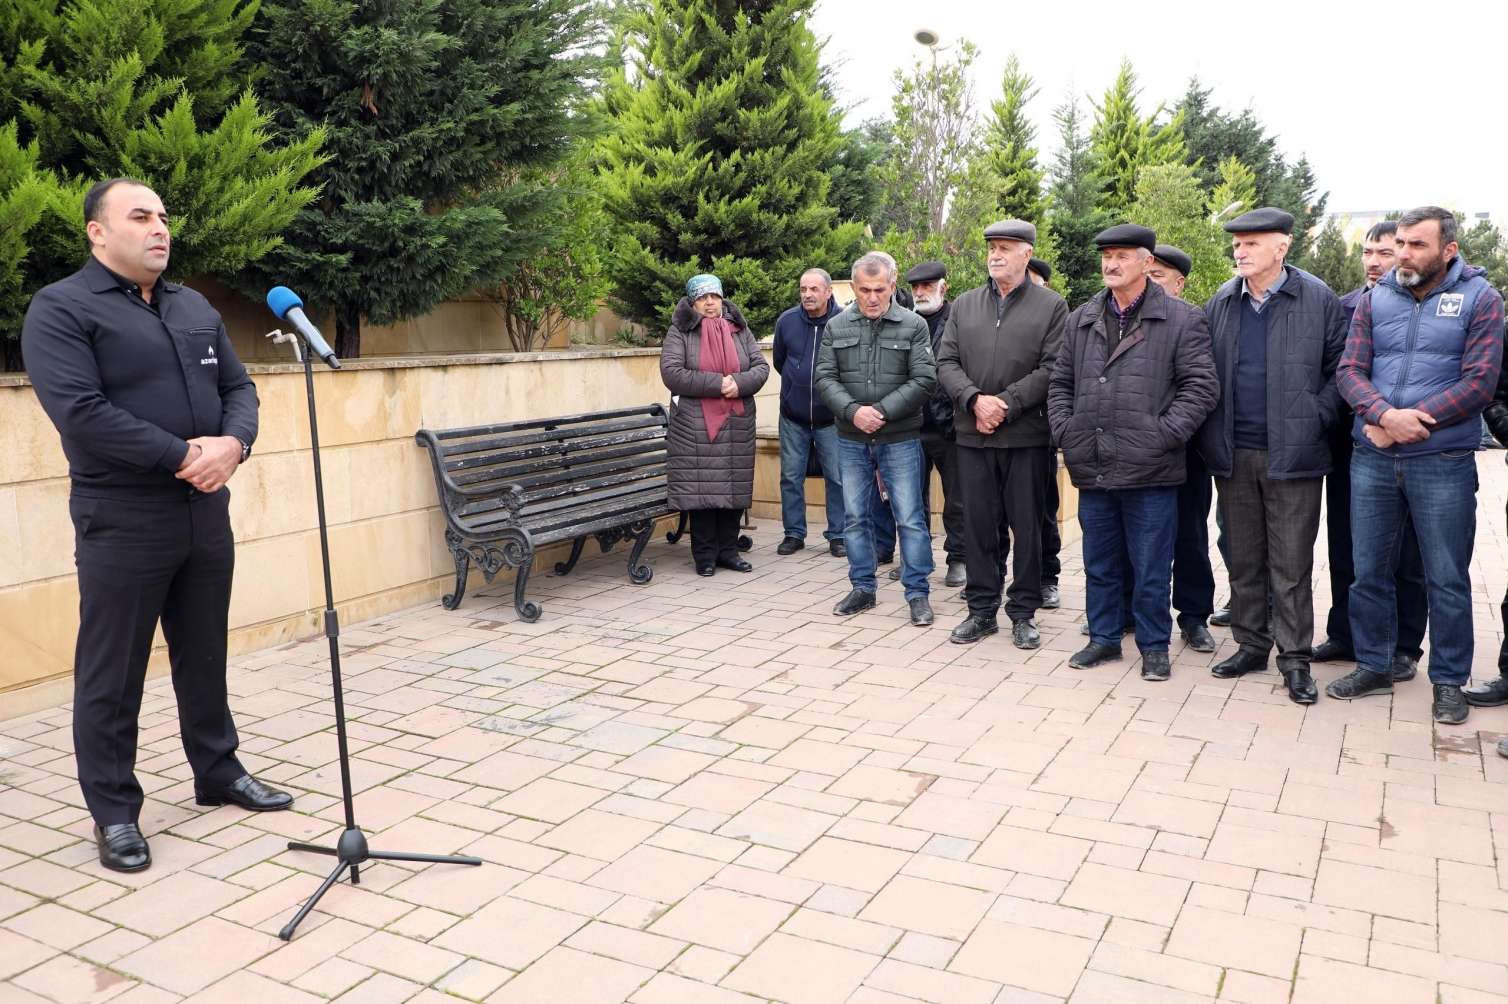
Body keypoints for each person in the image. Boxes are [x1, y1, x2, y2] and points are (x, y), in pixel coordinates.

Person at [22, 178, 291, 873]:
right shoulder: (61, 309)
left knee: (204, 652)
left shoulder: (193, 306)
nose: (158, 229)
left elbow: (239, 387)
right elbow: (81, 411)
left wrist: (234, 445)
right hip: (123, 516)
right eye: (139, 216)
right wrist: (183, 456)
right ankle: (114, 812)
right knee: (112, 673)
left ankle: (218, 771)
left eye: (163, 217)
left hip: (205, 513)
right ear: (96, 231)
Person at [1328, 206, 1504, 724]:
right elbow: (1349, 369)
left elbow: (1480, 383)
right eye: (1399, 243)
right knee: (1369, 572)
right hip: (1373, 455)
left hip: (1442, 460)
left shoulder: (1481, 299)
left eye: (1415, 245)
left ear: (1448, 250)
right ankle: (1375, 665)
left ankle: (1448, 681)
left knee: (1446, 576)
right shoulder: (1376, 299)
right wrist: (1381, 415)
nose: (1402, 254)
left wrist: (1412, 422)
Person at [1048, 224, 1218, 681]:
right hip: (1094, 461)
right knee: (1100, 563)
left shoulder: (1182, 318)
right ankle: (1103, 639)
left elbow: (1200, 388)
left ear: (1147, 262)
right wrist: (1068, 431)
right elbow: (1060, 384)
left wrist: (1162, 436)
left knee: (1151, 566)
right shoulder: (1081, 318)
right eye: (1106, 255)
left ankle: (1154, 646)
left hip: (1152, 468)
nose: (1111, 263)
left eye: (1122, 255)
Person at [1195, 208, 1346, 705]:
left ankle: (1295, 659)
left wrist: (1313, 416)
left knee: (1291, 563)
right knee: (1243, 558)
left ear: (1281, 248)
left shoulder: (1317, 298)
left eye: (1252, 244)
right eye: (1237, 244)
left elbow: (1341, 369)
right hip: (1234, 453)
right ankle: (1250, 644)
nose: (1240, 252)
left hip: (1295, 456)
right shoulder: (1221, 300)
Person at [936, 220, 1067, 649]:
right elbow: (946, 362)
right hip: (972, 435)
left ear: (1027, 254)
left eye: (1006, 247)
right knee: (978, 526)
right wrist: (975, 401)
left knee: (1028, 527)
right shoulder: (965, 305)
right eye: (992, 246)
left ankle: (1023, 612)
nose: (996, 254)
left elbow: (1053, 368)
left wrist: (1005, 403)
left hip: (1025, 437)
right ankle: (981, 610)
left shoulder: (1051, 306)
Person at [1313, 221, 1426, 680]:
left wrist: (1391, 421)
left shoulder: (1419, 306)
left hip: (1409, 444)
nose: (1376, 261)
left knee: (1406, 553)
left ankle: (1404, 645)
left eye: (1385, 251)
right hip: (1346, 446)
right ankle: (1345, 632)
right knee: (1346, 545)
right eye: (1369, 252)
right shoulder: (1341, 307)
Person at [816, 251, 938, 626]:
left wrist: (880, 412)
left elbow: (924, 380)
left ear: (892, 285)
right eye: (865, 290)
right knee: (855, 517)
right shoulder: (836, 327)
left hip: (899, 438)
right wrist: (854, 412)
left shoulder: (914, 325)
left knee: (911, 518)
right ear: (853, 288)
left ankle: (917, 593)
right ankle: (862, 588)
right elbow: (823, 378)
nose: (872, 297)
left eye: (880, 289)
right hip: (851, 439)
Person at [661, 273, 771, 576]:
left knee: (733, 489)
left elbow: (761, 367)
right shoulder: (680, 331)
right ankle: (705, 555)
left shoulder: (739, 329)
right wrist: (717, 384)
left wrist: (738, 383)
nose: (710, 302)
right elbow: (672, 373)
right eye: (702, 297)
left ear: (721, 298)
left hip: (736, 421)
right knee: (702, 492)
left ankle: (729, 551)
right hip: (694, 425)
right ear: (693, 301)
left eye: (715, 296)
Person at [898, 260, 966, 588]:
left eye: (927, 286)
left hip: (950, 425)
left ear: (944, 287)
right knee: (910, 499)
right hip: (909, 425)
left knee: (958, 498)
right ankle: (916, 559)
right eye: (916, 287)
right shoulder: (902, 322)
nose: (921, 292)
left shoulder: (961, 320)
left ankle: (959, 559)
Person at [773, 268, 846, 557]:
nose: (807, 295)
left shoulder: (843, 322)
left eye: (814, 289)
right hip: (793, 416)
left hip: (832, 418)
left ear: (828, 292)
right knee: (790, 477)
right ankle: (793, 534)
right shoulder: (786, 322)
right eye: (803, 289)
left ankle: (838, 535)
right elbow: (781, 361)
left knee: (838, 478)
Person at [1022, 256, 1064, 607]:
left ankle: (1047, 577)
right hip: (998, 430)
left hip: (1040, 430)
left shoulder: (1053, 316)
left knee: (1043, 512)